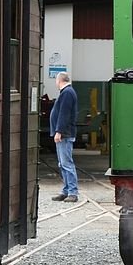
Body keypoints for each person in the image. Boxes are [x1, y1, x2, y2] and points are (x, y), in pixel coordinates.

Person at [50, 72, 80, 202]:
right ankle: (66, 190)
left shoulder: (67, 93)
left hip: (65, 134)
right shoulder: (67, 92)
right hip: (64, 133)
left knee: (67, 163)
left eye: (56, 81)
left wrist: (59, 131)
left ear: (59, 80)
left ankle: (72, 192)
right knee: (62, 163)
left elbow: (64, 114)